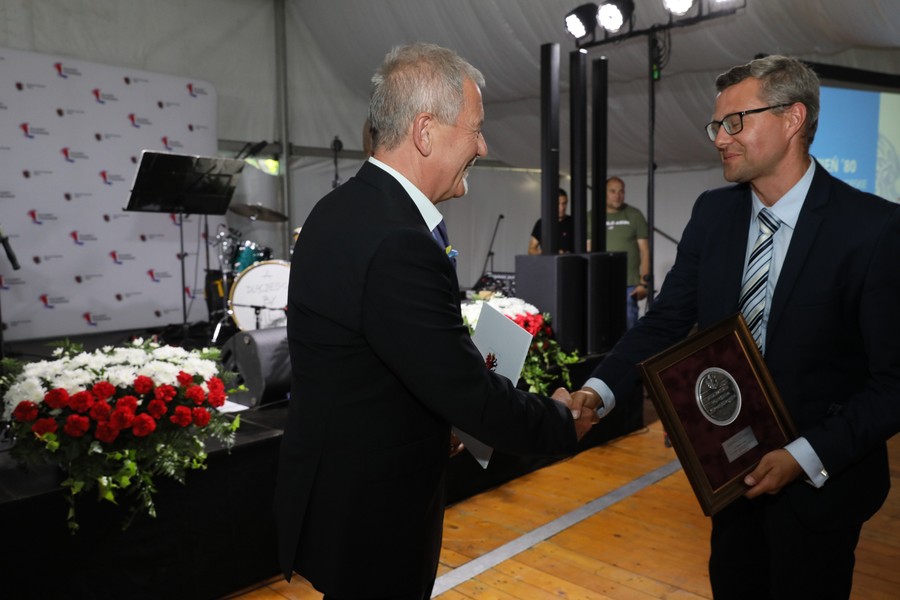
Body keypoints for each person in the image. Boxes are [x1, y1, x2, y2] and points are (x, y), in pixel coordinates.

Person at [273, 43, 598, 600]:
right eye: (476, 129)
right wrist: (559, 423)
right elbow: (464, 389)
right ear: (425, 131)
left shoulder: (339, 208)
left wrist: (433, 427)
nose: (483, 146)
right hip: (374, 515)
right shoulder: (399, 238)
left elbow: (373, 367)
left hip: (339, 498)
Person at [571, 55, 900, 599]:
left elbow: (892, 384)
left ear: (793, 118)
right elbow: (667, 321)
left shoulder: (873, 228)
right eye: (717, 126)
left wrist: (803, 455)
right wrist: (598, 390)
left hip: (822, 491)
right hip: (728, 482)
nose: (720, 139)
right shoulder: (713, 213)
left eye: (735, 122)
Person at [605, 176, 650, 329]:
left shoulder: (634, 215)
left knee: (629, 326)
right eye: (612, 191)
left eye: (621, 191)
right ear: (604, 193)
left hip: (629, 285)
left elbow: (645, 251)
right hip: (601, 282)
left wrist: (644, 283)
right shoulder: (592, 216)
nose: (617, 195)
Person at [528, 188, 574, 254]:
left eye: (564, 203)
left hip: (571, 260)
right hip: (548, 260)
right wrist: (549, 253)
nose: (562, 208)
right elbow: (531, 250)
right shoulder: (542, 223)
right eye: (558, 204)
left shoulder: (573, 222)